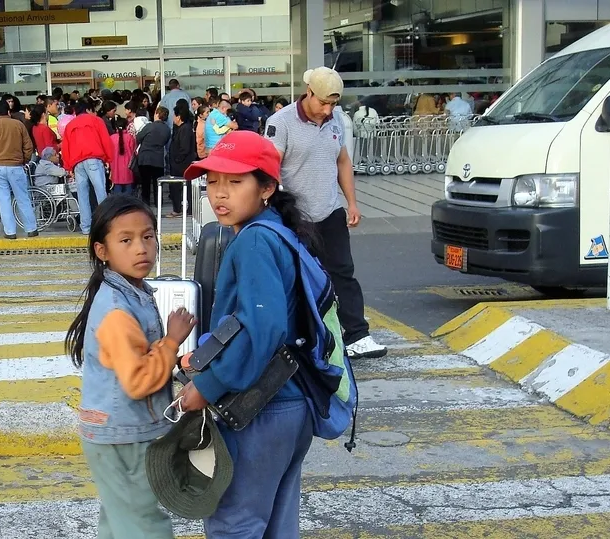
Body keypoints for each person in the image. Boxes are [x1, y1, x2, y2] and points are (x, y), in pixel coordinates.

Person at [175, 130, 318, 538]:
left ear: (267, 188)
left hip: (261, 408)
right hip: (292, 404)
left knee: (233, 524)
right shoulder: (278, 233)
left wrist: (209, 384)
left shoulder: (253, 241)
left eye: (235, 182)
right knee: (276, 523)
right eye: (212, 182)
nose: (220, 194)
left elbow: (262, 327)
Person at [65, 194, 196, 539]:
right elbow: (137, 381)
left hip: (120, 432)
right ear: (102, 251)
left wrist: (172, 357)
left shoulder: (130, 291)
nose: (141, 248)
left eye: (148, 236)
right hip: (122, 435)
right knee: (143, 526)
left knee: (121, 522)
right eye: (126, 240)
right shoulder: (116, 309)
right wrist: (172, 341)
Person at [263, 67, 386, 358]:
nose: (327, 109)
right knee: (296, 277)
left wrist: (352, 203)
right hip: (295, 214)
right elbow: (269, 167)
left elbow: (343, 162)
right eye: (322, 102)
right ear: (309, 93)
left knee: (343, 272)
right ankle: (298, 338)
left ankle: (357, 335)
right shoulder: (281, 123)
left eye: (333, 103)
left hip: (329, 210)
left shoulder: (335, 122)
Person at [0, 100, 38, 240]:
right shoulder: (18, 125)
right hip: (16, 167)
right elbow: (28, 146)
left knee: (3, 200)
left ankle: (10, 232)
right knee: (23, 198)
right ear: (8, 111)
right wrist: (24, 160)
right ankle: (31, 229)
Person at [61, 98, 115, 235]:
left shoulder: (70, 125)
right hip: (94, 159)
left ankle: (86, 227)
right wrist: (109, 159)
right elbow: (106, 141)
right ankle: (105, 225)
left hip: (77, 163)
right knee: (100, 192)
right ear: (88, 110)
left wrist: (68, 167)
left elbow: (65, 148)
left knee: (82, 195)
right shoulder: (96, 121)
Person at [135, 106, 170, 206]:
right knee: (157, 183)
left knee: (145, 183)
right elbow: (166, 141)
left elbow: (138, 138)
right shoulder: (167, 129)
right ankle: (158, 202)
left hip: (145, 157)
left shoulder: (149, 126)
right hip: (158, 158)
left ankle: (145, 203)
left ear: (158, 114)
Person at [167, 103, 196, 217]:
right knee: (179, 187)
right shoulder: (180, 128)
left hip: (181, 164)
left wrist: (177, 159)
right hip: (178, 163)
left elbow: (184, 148)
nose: (173, 118)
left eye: (174, 116)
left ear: (178, 117)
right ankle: (180, 208)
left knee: (179, 186)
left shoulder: (185, 129)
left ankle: (179, 209)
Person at [109, 116, 136, 196]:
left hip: (115, 169)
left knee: (117, 193)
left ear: (116, 127)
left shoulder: (112, 138)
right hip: (129, 169)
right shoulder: (130, 138)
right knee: (129, 193)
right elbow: (134, 152)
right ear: (126, 126)